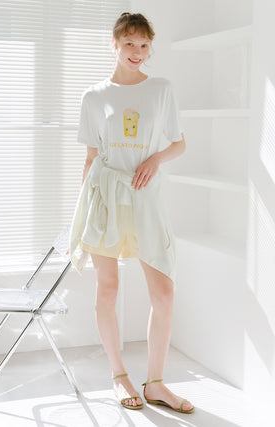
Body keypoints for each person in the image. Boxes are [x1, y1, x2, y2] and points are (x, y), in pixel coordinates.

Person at [69, 12, 195, 414]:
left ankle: (156, 383)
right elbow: (91, 157)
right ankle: (119, 374)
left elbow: (178, 143)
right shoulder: (94, 95)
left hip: (145, 196)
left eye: (143, 45)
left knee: (165, 291)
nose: (137, 52)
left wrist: (155, 159)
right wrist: (85, 207)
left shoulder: (161, 89)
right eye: (129, 44)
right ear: (114, 44)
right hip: (105, 196)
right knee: (108, 288)